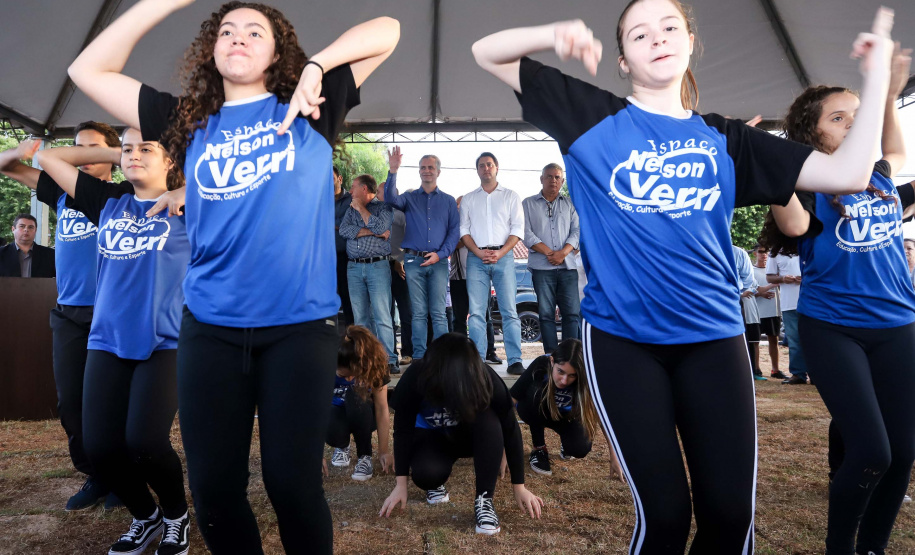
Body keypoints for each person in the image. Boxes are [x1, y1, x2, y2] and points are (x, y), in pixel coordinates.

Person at [471, 1, 897, 551]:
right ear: (622, 58)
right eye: (639, 33)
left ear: (691, 40)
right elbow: (487, 52)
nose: (657, 38)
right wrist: (554, 32)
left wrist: (879, 70)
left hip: (715, 340)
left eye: (670, 27)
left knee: (728, 518)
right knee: (666, 518)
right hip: (624, 344)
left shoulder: (728, 140)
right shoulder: (590, 117)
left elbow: (848, 172)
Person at [67, 1, 400, 552]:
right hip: (211, 331)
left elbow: (388, 30)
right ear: (211, 51)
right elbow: (87, 70)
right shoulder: (188, 121)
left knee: (292, 486)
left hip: (299, 329)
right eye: (226, 30)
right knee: (216, 494)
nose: (238, 38)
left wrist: (317, 66)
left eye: (254, 31)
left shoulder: (312, 106)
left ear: (277, 51)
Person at [758, 40, 914, 553]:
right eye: (840, 118)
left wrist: (887, 95)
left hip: (899, 327)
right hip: (835, 330)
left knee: (905, 451)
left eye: (857, 117)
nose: (853, 125)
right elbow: (795, 223)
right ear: (812, 134)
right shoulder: (807, 187)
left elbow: (894, 152)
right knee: (872, 452)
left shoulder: (881, 178)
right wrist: (767, 165)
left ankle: (873, 547)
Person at [32, 127, 191, 555]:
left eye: (146, 149)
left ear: (170, 160)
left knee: (144, 441)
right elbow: (48, 158)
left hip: (164, 341)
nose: (134, 155)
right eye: (128, 149)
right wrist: (112, 150)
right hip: (105, 339)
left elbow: (243, 191)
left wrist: (185, 192)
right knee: (99, 446)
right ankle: (146, 517)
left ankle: (176, 515)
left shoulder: (190, 207)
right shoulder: (107, 202)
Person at [0, 122, 124, 511]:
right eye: (77, 149)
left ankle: (123, 477)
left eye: (93, 150)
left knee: (112, 403)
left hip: (112, 314)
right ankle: (96, 475)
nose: (82, 156)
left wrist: (116, 154)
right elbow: (5, 166)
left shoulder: (121, 194)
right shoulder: (58, 193)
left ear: (110, 157)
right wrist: (21, 149)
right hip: (68, 314)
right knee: (72, 403)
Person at [379, 333, 543, 535]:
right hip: (432, 438)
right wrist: (400, 484)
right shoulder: (415, 376)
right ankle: (436, 483)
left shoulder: (484, 375)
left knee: (489, 419)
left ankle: (484, 500)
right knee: (427, 475)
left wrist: (519, 486)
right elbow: (403, 430)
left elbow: (510, 428)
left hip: (471, 437)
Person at [383, 147, 460, 360]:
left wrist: (441, 254)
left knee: (438, 313)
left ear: (438, 172)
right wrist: (393, 170)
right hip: (413, 260)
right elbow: (390, 199)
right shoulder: (408, 198)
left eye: (431, 167)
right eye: (423, 167)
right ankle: (419, 357)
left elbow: (454, 232)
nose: (427, 171)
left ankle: (441, 358)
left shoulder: (448, 201)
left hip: (438, 261)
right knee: (417, 313)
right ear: (418, 172)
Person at [510, 339, 622, 478]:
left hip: (566, 416)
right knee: (533, 394)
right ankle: (539, 448)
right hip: (535, 411)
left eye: (572, 375)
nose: (564, 380)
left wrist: (615, 455)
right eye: (560, 372)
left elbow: (604, 415)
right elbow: (511, 399)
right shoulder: (541, 364)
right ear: (552, 362)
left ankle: (566, 441)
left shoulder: (590, 376)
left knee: (580, 449)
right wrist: (503, 448)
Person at [460, 152, 525, 375]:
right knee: (476, 312)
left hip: (504, 257)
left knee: (509, 311)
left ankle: (515, 359)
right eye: (481, 165)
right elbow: (464, 231)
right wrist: (478, 252)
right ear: (477, 170)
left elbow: (517, 230)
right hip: (476, 259)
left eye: (489, 164)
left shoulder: (510, 196)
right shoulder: (469, 198)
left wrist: (500, 253)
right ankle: (478, 360)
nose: (486, 168)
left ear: (497, 167)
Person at [339, 174, 399, 373]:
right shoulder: (350, 208)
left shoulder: (383, 207)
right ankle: (366, 358)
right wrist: (371, 231)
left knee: (382, 315)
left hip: (377, 266)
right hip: (354, 267)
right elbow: (344, 231)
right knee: (360, 317)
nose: (350, 190)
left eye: (354, 187)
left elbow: (382, 227)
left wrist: (362, 210)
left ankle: (389, 359)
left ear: (364, 189)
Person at [522, 163, 581, 354]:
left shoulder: (571, 205)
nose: (553, 180)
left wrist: (562, 253)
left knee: (571, 314)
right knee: (546, 315)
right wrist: (550, 253)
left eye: (557, 177)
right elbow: (526, 233)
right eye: (549, 176)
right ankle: (550, 357)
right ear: (541, 179)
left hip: (567, 268)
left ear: (562, 181)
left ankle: (570, 356)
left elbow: (577, 231)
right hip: (541, 269)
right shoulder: (528, 204)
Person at [325, 325, 393, 481]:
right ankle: (342, 445)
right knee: (332, 424)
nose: (348, 379)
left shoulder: (375, 366)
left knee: (355, 394)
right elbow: (312, 406)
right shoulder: (325, 360)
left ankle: (365, 456)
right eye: (342, 375)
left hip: (364, 414)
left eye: (351, 375)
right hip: (335, 410)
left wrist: (383, 451)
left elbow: (382, 408)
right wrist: (313, 454)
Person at [766, 249, 807, 384]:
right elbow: (769, 277)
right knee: (794, 340)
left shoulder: (808, 245)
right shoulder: (775, 251)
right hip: (789, 303)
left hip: (812, 302)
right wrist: (783, 278)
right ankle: (798, 374)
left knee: (813, 339)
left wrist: (806, 278)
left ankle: (816, 373)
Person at [752, 244, 785, 379]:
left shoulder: (774, 271)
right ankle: (756, 369)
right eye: (760, 252)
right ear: (755, 254)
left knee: (774, 339)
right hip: (756, 312)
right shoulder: (750, 270)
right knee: (755, 341)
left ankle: (775, 370)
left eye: (766, 252)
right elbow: (749, 289)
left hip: (773, 310)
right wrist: (761, 293)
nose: (764, 255)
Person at [733, 245, 763, 381]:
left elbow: (748, 281)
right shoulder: (702, 249)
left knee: (740, 338)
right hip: (708, 302)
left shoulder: (738, 253)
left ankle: (745, 373)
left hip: (733, 302)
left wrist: (738, 294)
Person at [334, 166, 355, 329]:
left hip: (346, 256)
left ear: (340, 179)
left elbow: (349, 226)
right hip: (324, 257)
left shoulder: (351, 199)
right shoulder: (319, 198)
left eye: (331, 177)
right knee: (325, 297)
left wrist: (328, 223)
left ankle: (352, 336)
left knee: (348, 297)